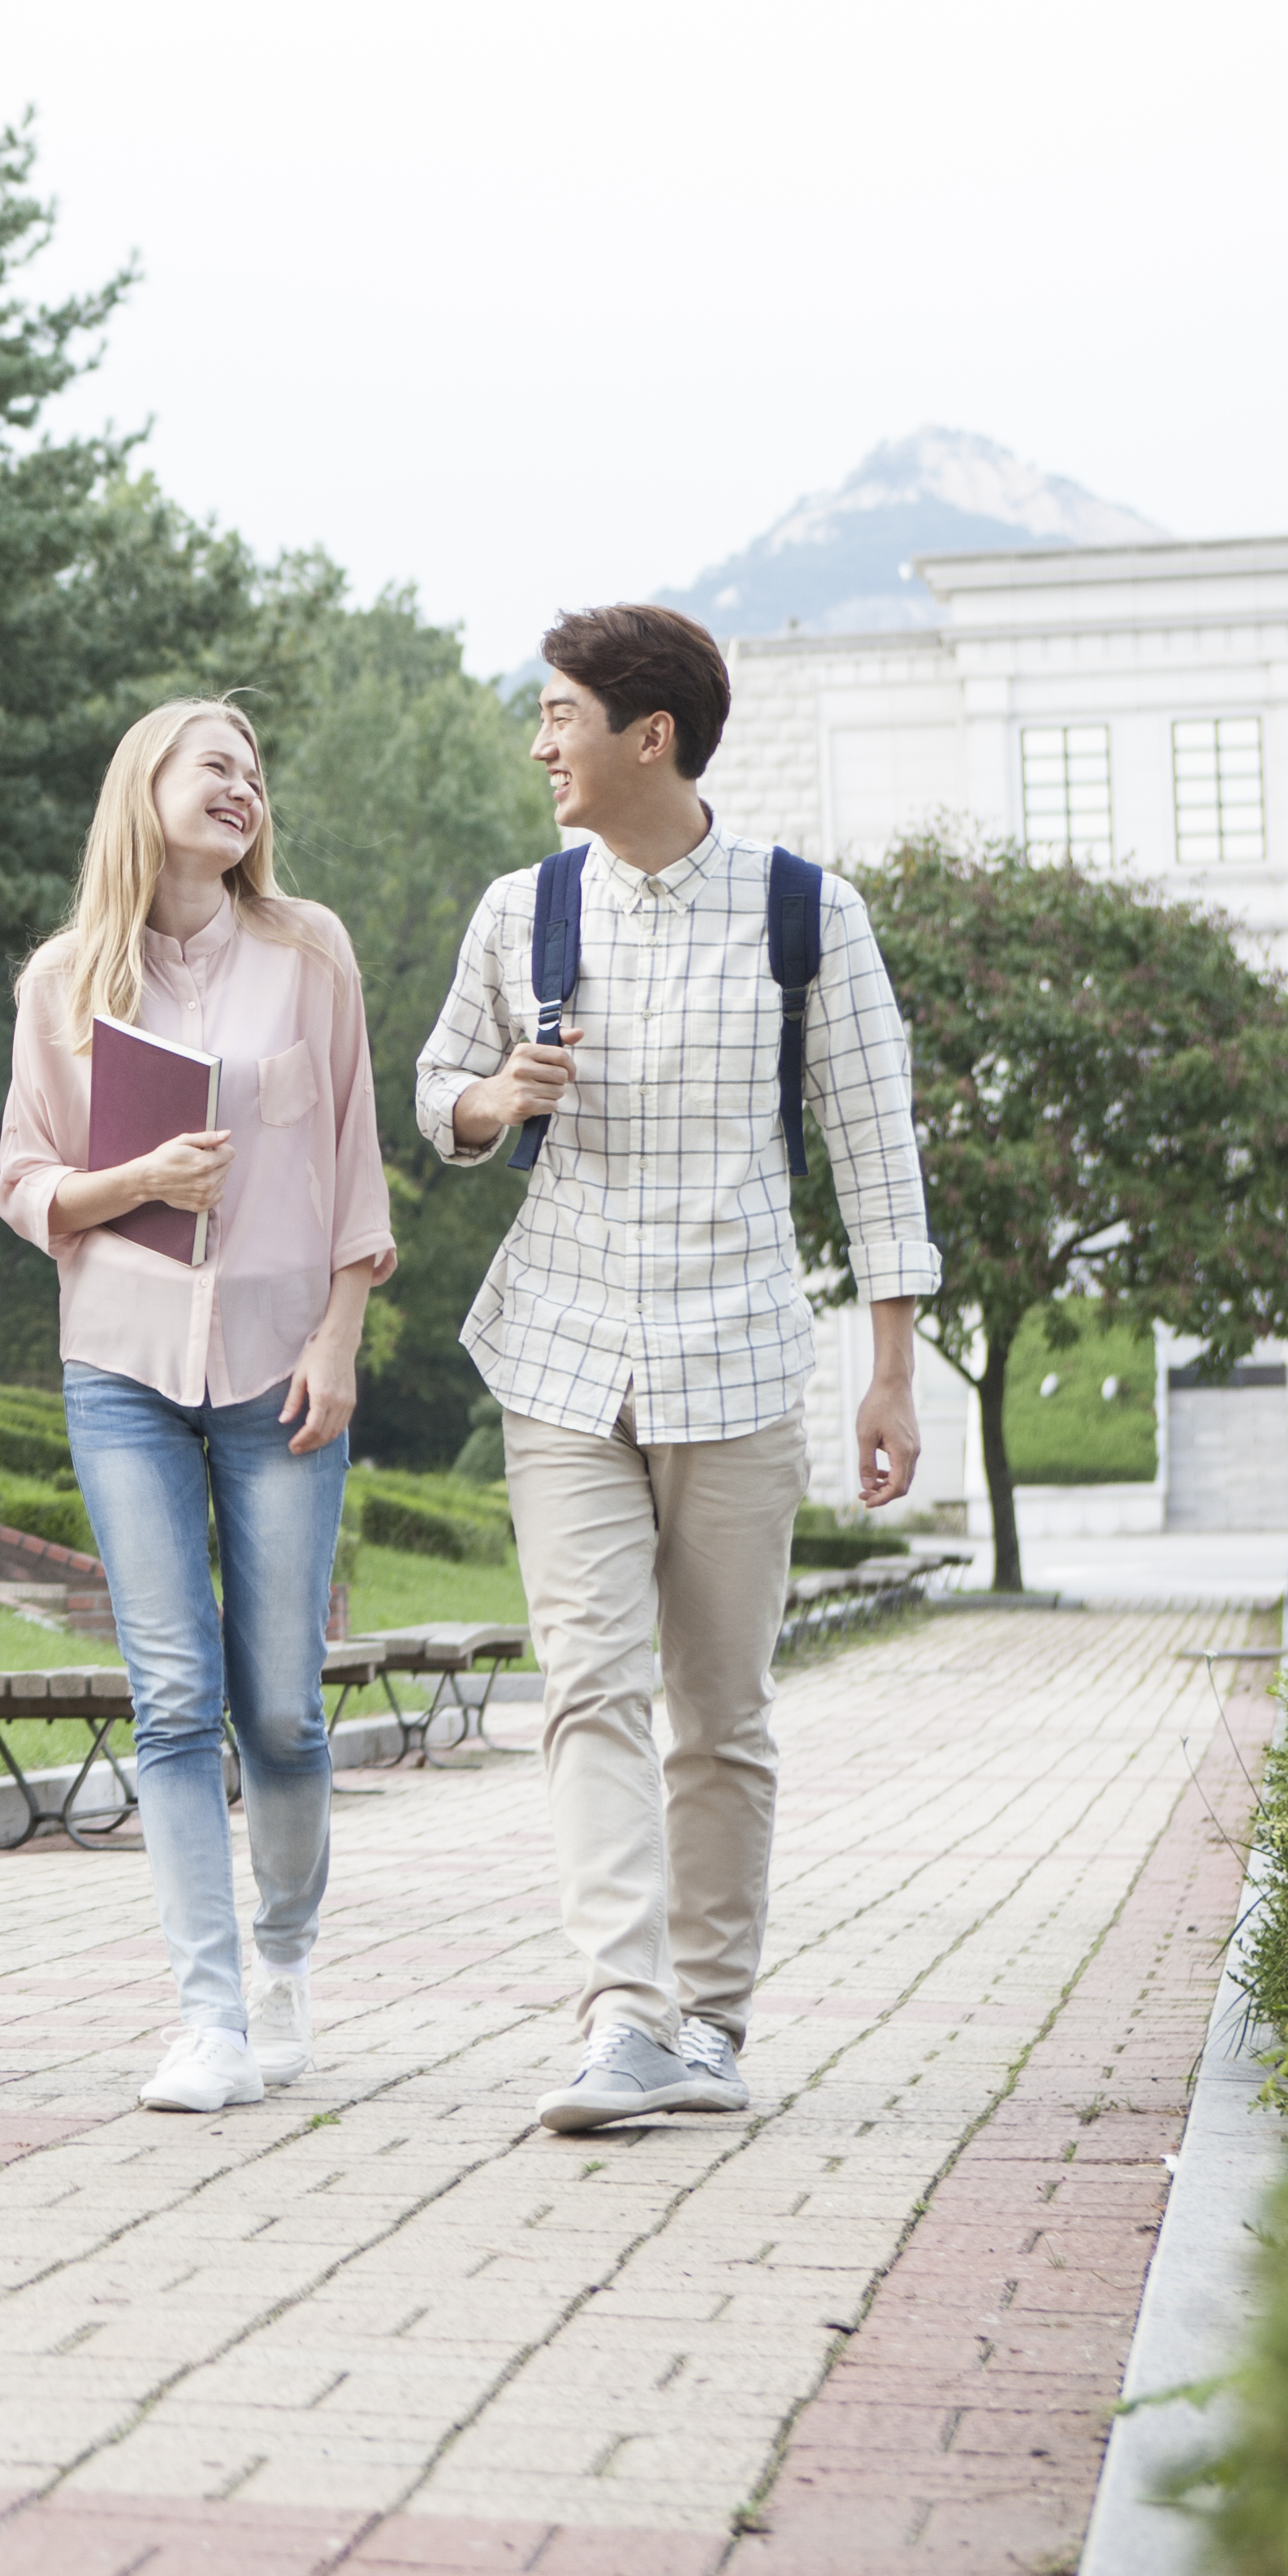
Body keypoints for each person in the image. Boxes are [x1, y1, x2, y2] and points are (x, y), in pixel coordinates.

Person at [412, 604, 936, 2136]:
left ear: (652, 734)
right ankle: (623, 2018)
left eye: (561, 712)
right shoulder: (524, 912)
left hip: (740, 1351)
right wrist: (493, 1099)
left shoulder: (805, 916)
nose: (540, 741)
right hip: (562, 1353)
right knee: (588, 1689)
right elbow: (443, 1091)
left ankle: (709, 2021)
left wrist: (889, 1372)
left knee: (721, 1710)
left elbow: (874, 1145)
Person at [0, 699, 396, 2115]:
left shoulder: (310, 951)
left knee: (280, 1707)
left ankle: (284, 1960)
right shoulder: (65, 979)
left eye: (255, 770)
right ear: (144, 786)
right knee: (172, 1698)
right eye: (214, 762)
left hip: (287, 1361)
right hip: (121, 1365)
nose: (245, 784)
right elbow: (26, 1182)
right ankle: (207, 2012)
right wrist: (139, 1185)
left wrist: (342, 1337)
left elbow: (354, 1154)